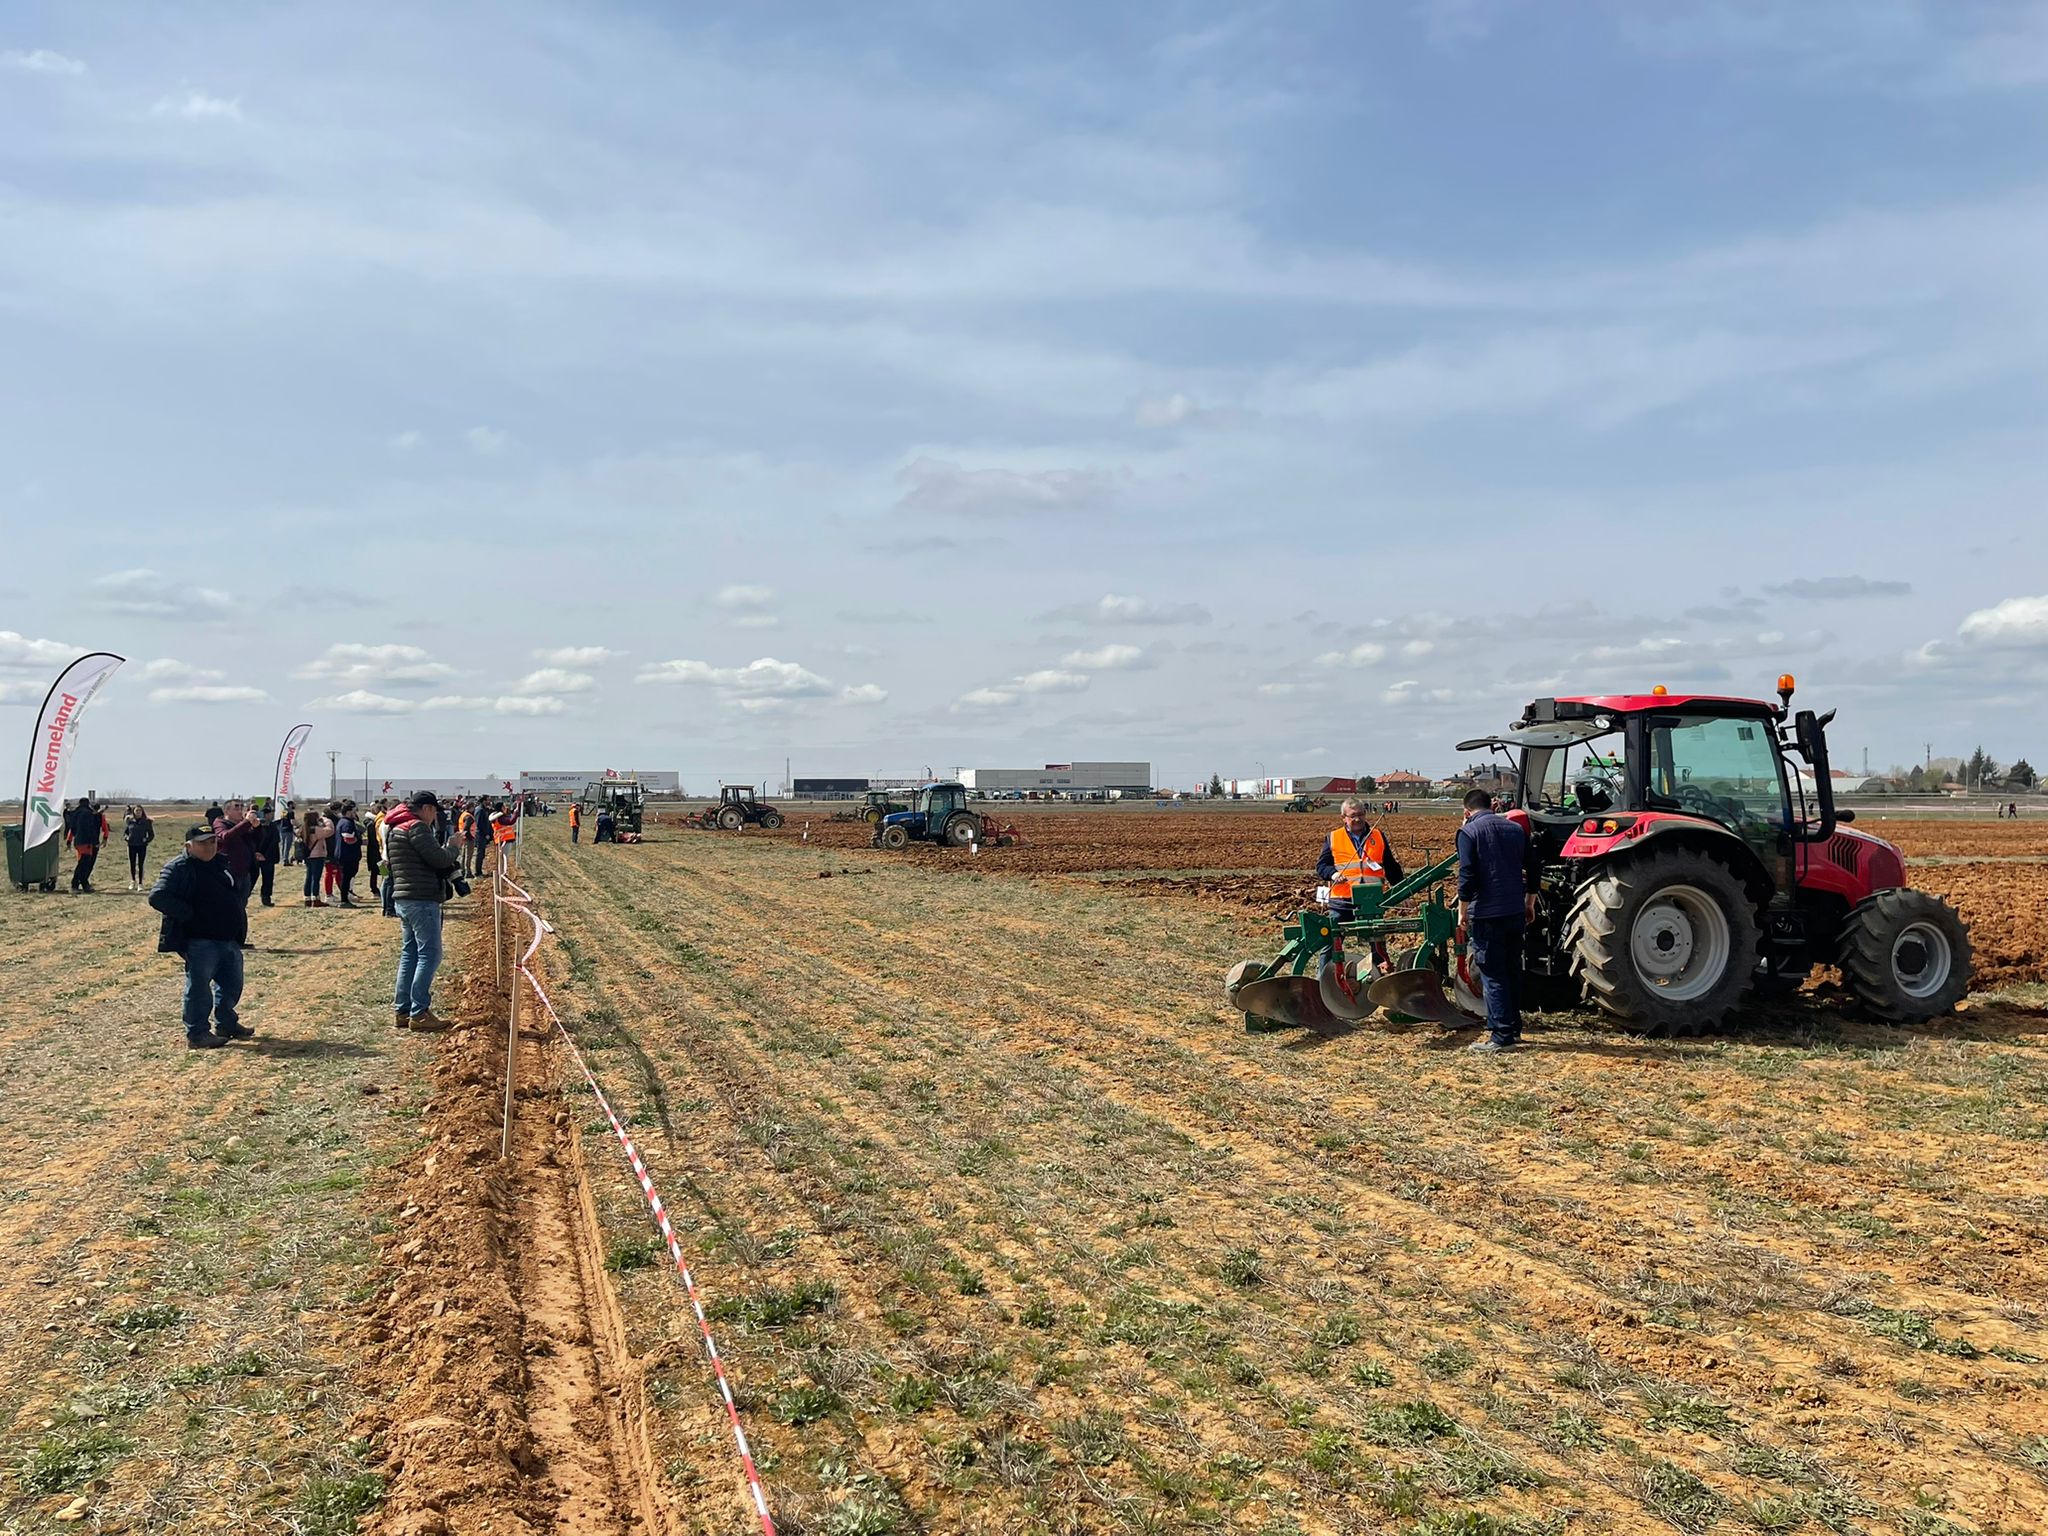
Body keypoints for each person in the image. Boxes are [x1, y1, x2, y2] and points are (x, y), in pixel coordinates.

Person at [149, 822, 253, 1049]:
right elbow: (158, 896)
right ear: (189, 846)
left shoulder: (220, 863)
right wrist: (190, 915)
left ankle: (226, 1023)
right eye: (203, 843)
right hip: (200, 940)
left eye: (213, 841)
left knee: (231, 984)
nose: (210, 847)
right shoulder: (179, 867)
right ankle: (197, 1033)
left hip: (228, 938)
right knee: (198, 988)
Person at [1456, 787, 1538, 1054]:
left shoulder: (1468, 832)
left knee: (1492, 973)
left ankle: (1501, 1036)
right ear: (1492, 806)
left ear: (1466, 812)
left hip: (1486, 913)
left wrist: (1462, 909)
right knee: (1513, 969)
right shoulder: (1515, 830)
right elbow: (1534, 867)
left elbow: (1467, 873)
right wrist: (1530, 902)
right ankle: (1513, 1028)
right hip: (1514, 911)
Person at [385, 790, 459, 1032]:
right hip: (422, 899)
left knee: (411, 954)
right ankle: (419, 1012)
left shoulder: (396, 828)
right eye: (435, 811)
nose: (435, 816)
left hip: (404, 898)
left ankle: (403, 1010)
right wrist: (454, 847)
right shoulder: (416, 827)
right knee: (430, 954)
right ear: (426, 808)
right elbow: (438, 859)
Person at [1315, 798, 1404, 926]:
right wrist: (1334, 874)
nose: (1358, 819)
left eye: (1361, 814)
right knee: (1331, 939)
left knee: (1377, 941)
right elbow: (1322, 866)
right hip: (1342, 902)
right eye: (1353, 816)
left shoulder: (1378, 835)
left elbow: (1391, 867)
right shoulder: (1334, 837)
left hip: (1371, 900)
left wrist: (1401, 891)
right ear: (1343, 818)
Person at [67, 794, 108, 893]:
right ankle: (75, 884)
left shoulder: (76, 813)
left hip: (81, 842)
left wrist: (69, 841)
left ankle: (84, 884)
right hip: (88, 843)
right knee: (83, 864)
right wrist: (103, 839)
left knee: (85, 864)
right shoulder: (90, 815)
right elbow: (102, 828)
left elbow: (72, 829)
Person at [300, 807, 333, 907]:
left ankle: (307, 898)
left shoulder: (303, 829)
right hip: (317, 855)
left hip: (307, 855)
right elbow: (330, 831)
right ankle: (316, 898)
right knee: (316, 877)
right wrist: (326, 821)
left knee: (309, 877)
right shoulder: (316, 830)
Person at [333, 800, 363, 907]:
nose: (355, 813)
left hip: (345, 854)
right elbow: (348, 838)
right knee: (346, 878)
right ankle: (344, 900)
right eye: (354, 811)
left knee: (347, 877)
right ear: (349, 811)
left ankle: (345, 899)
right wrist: (359, 840)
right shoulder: (347, 823)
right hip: (347, 855)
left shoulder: (342, 821)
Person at [253, 805, 281, 906]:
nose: (270, 816)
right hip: (257, 856)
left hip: (268, 856)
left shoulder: (272, 826)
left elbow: (275, 841)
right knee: (253, 877)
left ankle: (266, 897)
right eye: (269, 814)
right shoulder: (256, 826)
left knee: (268, 879)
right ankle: (246, 895)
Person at [124, 804, 156, 891]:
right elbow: (126, 832)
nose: (138, 812)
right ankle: (133, 881)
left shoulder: (147, 822)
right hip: (132, 845)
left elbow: (151, 835)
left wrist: (146, 840)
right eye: (136, 811)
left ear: (142, 812)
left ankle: (140, 883)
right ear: (133, 812)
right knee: (132, 863)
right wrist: (126, 838)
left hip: (142, 846)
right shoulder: (130, 821)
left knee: (141, 864)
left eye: (140, 811)